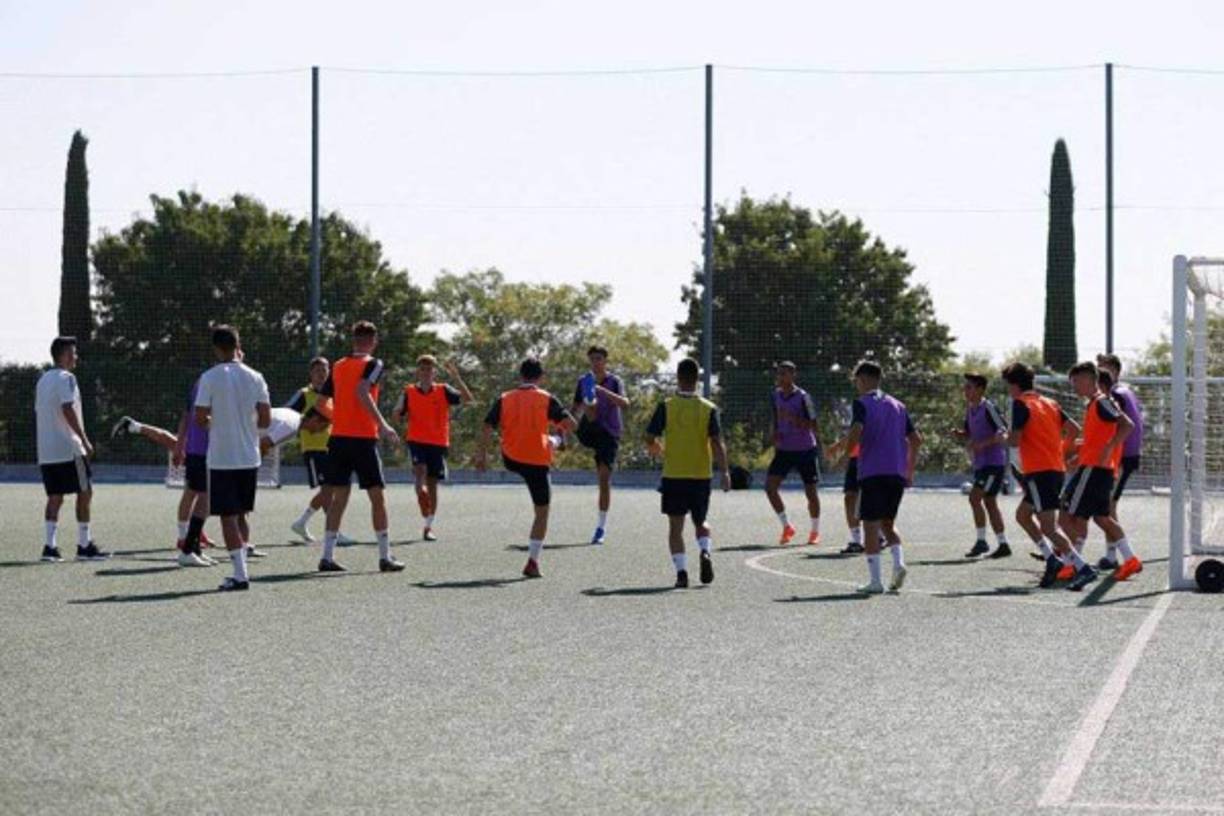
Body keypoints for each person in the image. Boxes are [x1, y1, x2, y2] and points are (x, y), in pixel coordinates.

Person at [316, 321, 405, 574]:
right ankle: (385, 557)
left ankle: (327, 556)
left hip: (338, 439)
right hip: (363, 440)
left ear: (353, 339)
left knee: (338, 499)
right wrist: (384, 425)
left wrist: (341, 418)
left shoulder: (339, 366)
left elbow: (322, 403)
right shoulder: (373, 364)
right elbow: (362, 390)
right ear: (373, 340)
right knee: (377, 497)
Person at [476, 357, 576, 579]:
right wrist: (559, 435)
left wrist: (481, 455)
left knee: (537, 449)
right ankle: (532, 561)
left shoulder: (505, 397)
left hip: (510, 457)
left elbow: (487, 424)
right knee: (542, 513)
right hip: (537, 461)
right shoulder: (546, 398)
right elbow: (571, 424)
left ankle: (552, 442)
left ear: (520, 375)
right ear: (540, 377)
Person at [193, 326, 270, 592]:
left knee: (227, 517)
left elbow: (200, 418)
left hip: (222, 458)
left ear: (216, 348)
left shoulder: (209, 377)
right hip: (250, 456)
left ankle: (240, 575)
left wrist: (219, 421)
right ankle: (242, 569)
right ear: (238, 345)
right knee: (241, 515)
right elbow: (266, 419)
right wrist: (244, 424)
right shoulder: (256, 377)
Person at [111, 376, 218, 568]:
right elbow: (189, 416)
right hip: (203, 448)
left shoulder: (204, 381)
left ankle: (190, 536)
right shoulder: (211, 381)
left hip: (201, 446)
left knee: (194, 491)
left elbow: (187, 416)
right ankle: (185, 538)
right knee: (196, 493)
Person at [645, 358, 731, 588]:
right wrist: (725, 471)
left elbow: (649, 436)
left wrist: (657, 449)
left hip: (674, 473)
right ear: (697, 380)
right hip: (701, 475)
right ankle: (704, 551)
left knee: (675, 527)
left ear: (678, 377)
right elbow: (716, 442)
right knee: (701, 521)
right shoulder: (708, 408)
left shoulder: (667, 405)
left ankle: (682, 573)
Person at [1058, 361, 1142, 590]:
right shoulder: (1095, 404)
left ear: (1087, 380)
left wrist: (1108, 448)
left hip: (1094, 470)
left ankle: (1075, 565)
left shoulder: (1101, 402)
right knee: (1099, 518)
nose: (1073, 387)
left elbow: (1127, 424)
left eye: (1075, 382)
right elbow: (1098, 437)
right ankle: (1131, 559)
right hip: (1096, 469)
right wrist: (1082, 455)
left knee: (1066, 517)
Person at [843, 361, 922, 595]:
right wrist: (909, 470)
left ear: (865, 379)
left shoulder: (862, 403)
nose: (856, 385)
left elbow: (857, 430)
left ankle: (875, 581)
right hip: (896, 472)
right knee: (888, 523)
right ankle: (898, 564)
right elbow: (916, 439)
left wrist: (846, 452)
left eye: (857, 380)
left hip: (873, 471)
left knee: (870, 525)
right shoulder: (898, 405)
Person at [1001, 362, 1081, 588]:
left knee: (1049, 527)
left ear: (1015, 385)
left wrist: (1001, 439)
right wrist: (1060, 451)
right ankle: (1052, 560)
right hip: (1055, 469)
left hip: (1039, 471)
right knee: (1023, 515)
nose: (1008, 390)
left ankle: (1077, 565)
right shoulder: (1050, 403)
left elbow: (1015, 440)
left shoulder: (1020, 404)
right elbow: (1074, 429)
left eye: (1008, 386)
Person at [35, 336, 108, 562]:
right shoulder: (67, 378)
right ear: (65, 355)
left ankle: (50, 548)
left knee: (55, 496)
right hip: (70, 448)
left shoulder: (42, 380)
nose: (76, 357)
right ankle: (84, 546)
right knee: (85, 492)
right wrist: (84, 439)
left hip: (47, 451)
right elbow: (67, 408)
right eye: (73, 353)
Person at [391, 355, 474, 541]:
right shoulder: (409, 391)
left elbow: (468, 399)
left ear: (434, 372)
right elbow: (397, 414)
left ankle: (428, 526)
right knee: (419, 472)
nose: (426, 372)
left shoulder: (444, 390)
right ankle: (421, 494)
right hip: (416, 440)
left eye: (429, 369)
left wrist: (457, 377)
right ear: (417, 372)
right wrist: (397, 415)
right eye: (422, 369)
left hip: (438, 442)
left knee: (433, 484)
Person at [571, 346, 630, 545]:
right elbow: (574, 408)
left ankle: (601, 527)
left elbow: (625, 403)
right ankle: (590, 400)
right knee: (588, 404)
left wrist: (601, 390)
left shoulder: (615, 381)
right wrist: (564, 426)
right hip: (589, 428)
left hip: (608, 433)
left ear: (605, 361)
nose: (595, 362)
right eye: (592, 359)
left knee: (604, 478)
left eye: (598, 359)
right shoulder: (583, 380)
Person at [764, 361, 822, 546]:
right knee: (770, 487)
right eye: (778, 374)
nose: (780, 377)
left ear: (793, 375)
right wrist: (774, 433)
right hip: (784, 449)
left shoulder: (804, 397)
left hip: (805, 449)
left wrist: (793, 419)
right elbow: (775, 418)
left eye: (784, 374)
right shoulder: (775, 396)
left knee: (811, 493)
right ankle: (787, 526)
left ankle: (814, 531)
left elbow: (814, 425)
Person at [953, 373, 1011, 559]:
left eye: (969, 387)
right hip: (981, 464)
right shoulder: (971, 409)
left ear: (980, 389)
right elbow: (969, 433)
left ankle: (982, 541)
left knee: (975, 498)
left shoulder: (988, 407)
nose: (965, 390)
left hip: (993, 464)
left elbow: (1003, 430)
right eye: (965, 387)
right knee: (989, 502)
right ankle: (1002, 544)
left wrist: (982, 445)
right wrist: (960, 434)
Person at [1096, 353, 1145, 569]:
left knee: (1108, 506)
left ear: (1115, 372)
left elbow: (1124, 427)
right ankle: (1113, 555)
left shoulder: (1116, 395)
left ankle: (1114, 556)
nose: (1100, 374)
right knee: (1107, 506)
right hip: (1125, 454)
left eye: (1104, 370)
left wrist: (1107, 449)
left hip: (1122, 456)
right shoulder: (1126, 392)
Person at [287, 357, 342, 545]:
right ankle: (334, 532)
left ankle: (301, 523)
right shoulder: (303, 394)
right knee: (328, 490)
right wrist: (306, 424)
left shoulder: (332, 395)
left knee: (330, 489)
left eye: (325, 370)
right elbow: (287, 418)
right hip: (312, 449)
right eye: (318, 370)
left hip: (331, 447)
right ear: (311, 373)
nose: (322, 374)